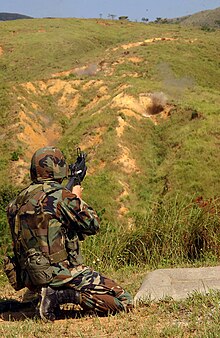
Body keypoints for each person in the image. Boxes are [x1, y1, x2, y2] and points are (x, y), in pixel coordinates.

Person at [6, 146, 133, 321]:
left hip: (30, 277)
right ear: (57, 169)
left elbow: (48, 220)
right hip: (59, 273)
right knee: (124, 301)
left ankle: (40, 297)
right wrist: (76, 197)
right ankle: (60, 296)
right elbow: (92, 224)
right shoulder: (61, 197)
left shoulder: (16, 202)